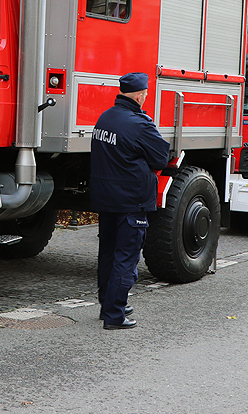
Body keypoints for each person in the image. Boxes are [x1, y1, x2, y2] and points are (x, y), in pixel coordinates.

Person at [90, 72, 171, 330]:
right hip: (131, 202)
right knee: (126, 257)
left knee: (108, 254)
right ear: (139, 95)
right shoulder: (139, 124)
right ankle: (115, 315)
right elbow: (160, 158)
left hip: (106, 199)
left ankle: (108, 305)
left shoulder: (105, 118)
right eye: (145, 94)